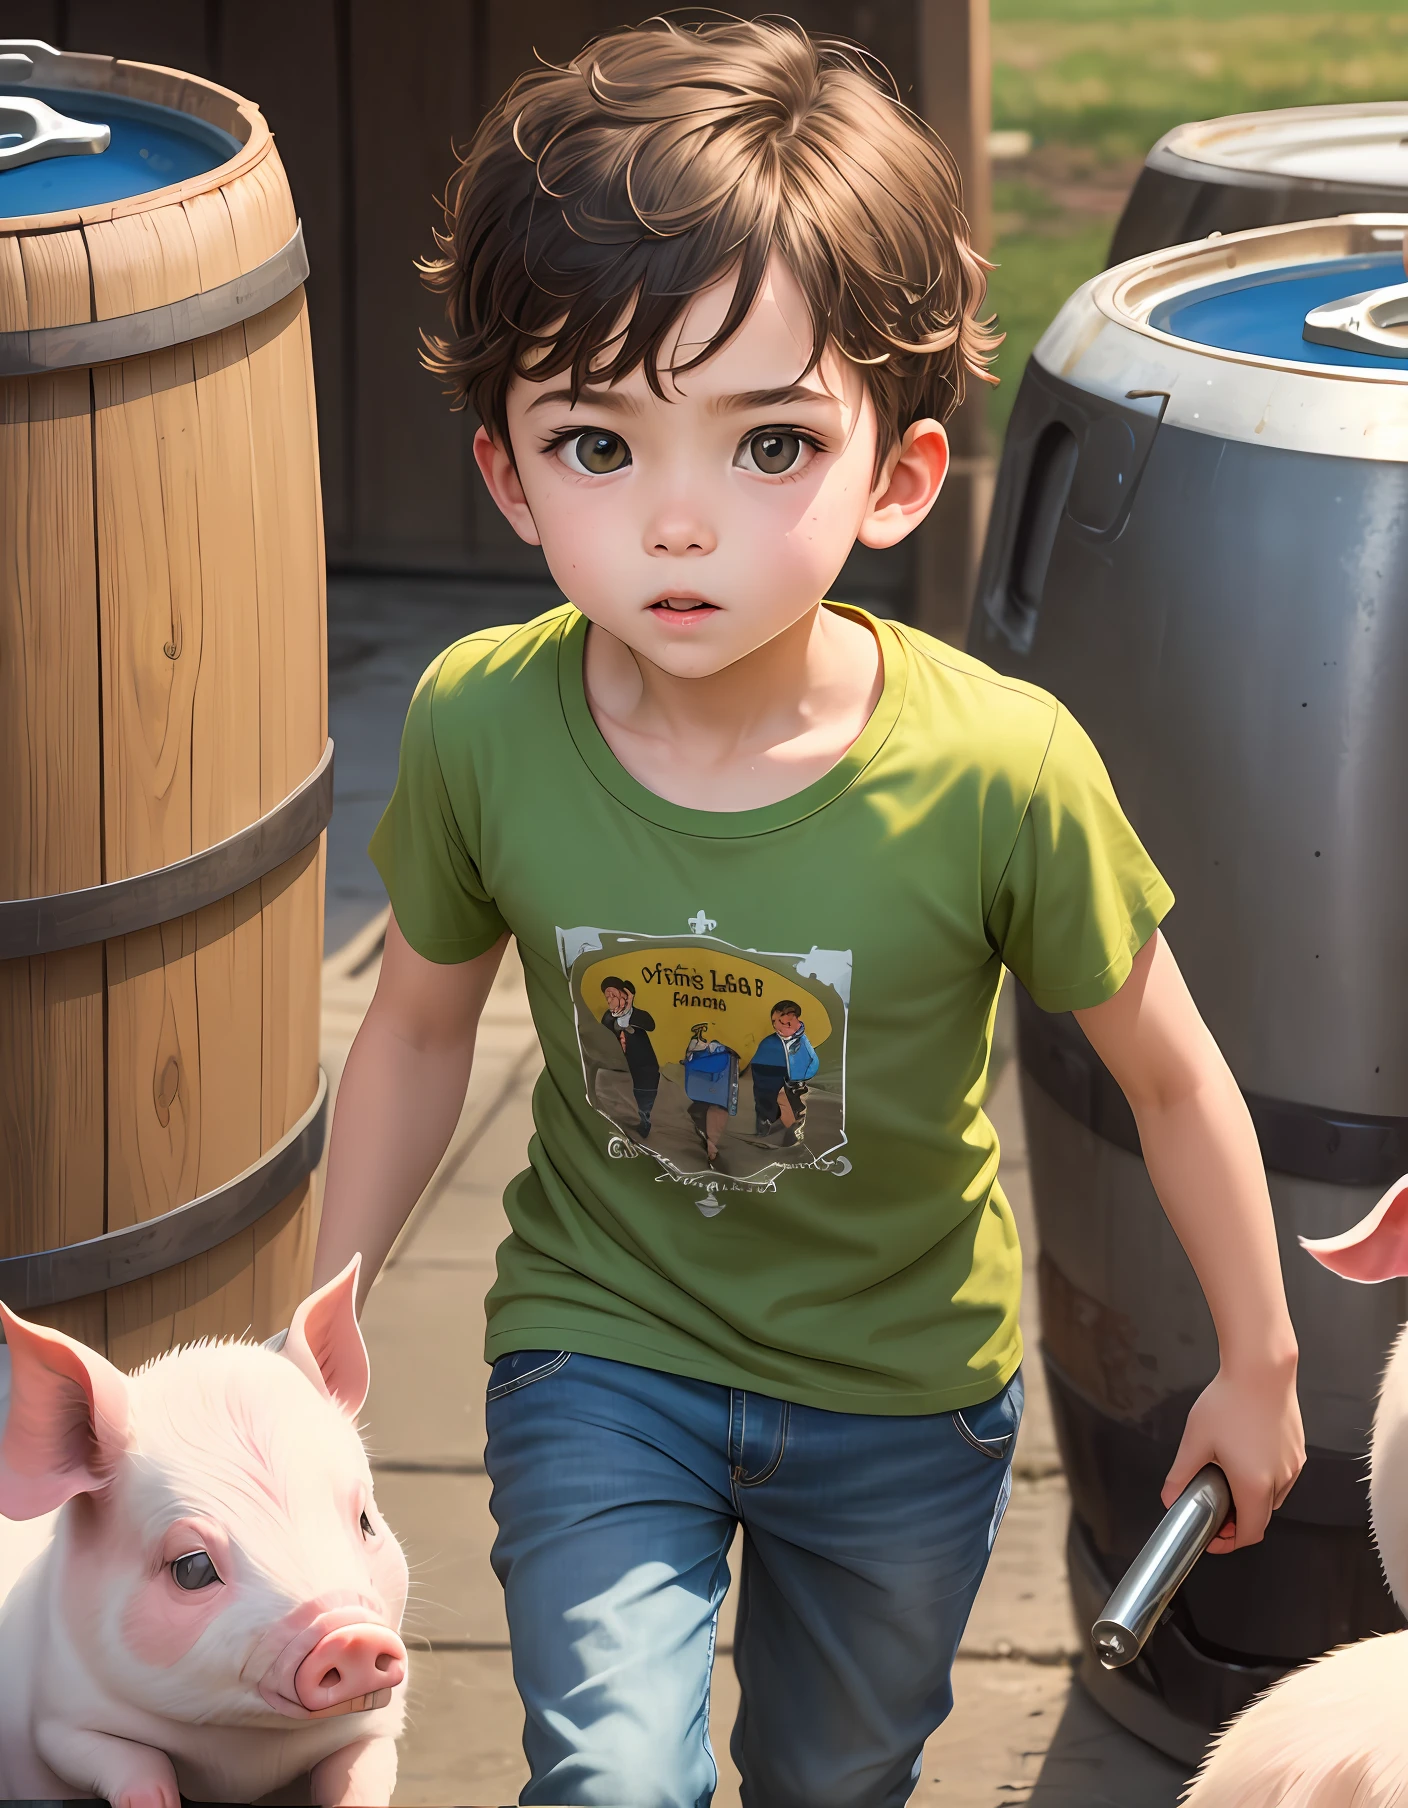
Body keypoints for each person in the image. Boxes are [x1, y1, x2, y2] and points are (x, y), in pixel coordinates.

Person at [311, 18, 1305, 1807]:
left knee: (836, 1778)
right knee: (607, 1779)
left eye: (767, 446)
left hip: (900, 1385)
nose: (675, 524)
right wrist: (327, 1313)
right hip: (600, 1342)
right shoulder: (478, 720)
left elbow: (1166, 1074)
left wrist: (1255, 1353)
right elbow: (414, 1021)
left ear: (898, 476)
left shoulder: (1002, 769)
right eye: (597, 445)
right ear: (507, 475)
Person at [749, 999, 819, 1144]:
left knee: (792, 1105)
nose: (776, 1026)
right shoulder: (769, 1042)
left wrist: (802, 1078)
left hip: (792, 1079)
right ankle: (766, 1127)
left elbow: (813, 1061)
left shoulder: (802, 1042)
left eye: (781, 1021)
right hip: (766, 1071)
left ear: (793, 1021)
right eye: (774, 1021)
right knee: (766, 1102)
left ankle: (792, 1132)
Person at [599, 975, 659, 1138]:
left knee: (645, 1098)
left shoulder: (639, 1015)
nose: (610, 999)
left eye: (613, 994)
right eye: (607, 996)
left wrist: (627, 1014)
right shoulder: (608, 1018)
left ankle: (644, 1122)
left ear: (625, 994)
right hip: (620, 1068)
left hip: (645, 1067)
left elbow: (650, 1024)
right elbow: (606, 1031)